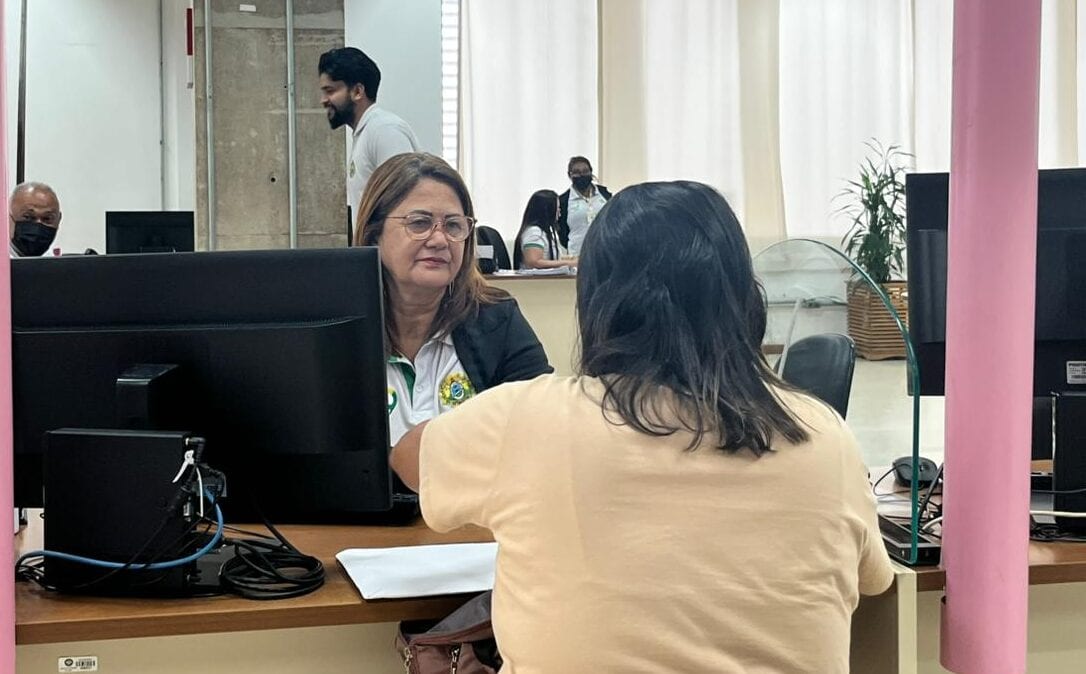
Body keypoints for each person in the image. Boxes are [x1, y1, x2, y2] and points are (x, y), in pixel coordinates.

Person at [391, 181, 894, 672]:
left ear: (595, 302)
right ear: (745, 296)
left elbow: (409, 457)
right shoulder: (823, 434)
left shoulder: (527, 419)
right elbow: (874, 579)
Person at [355, 152, 552, 451]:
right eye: (419, 223)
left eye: (453, 226)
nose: (439, 240)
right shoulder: (341, 330)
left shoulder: (498, 321)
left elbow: (543, 433)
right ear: (374, 235)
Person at [319, 47, 419, 217]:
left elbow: (406, 204)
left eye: (330, 91)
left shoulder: (384, 131)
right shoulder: (365, 132)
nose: (323, 100)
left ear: (358, 92)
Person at [557, 156, 611, 256]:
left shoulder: (604, 194)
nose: (581, 175)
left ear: (591, 171)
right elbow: (562, 232)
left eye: (585, 171)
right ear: (570, 175)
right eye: (577, 172)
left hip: (605, 252)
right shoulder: (563, 201)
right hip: (577, 254)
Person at [512, 189, 570, 270]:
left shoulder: (545, 232)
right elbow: (534, 262)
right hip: (536, 278)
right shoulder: (534, 233)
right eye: (557, 208)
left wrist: (574, 260)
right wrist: (569, 263)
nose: (559, 212)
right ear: (548, 210)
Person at [9, 182, 61, 258]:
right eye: (28, 217)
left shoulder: (57, 262)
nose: (38, 225)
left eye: (47, 218)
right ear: (8, 218)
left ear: (58, 220)